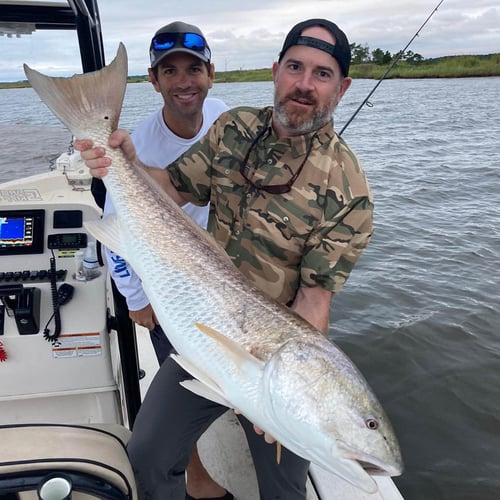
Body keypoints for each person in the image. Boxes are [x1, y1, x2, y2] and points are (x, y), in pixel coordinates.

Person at [78, 18, 374, 500]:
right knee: (147, 458)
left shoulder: (350, 193)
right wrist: (124, 161)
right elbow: (171, 188)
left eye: (322, 74)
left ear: (342, 87)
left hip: (272, 350)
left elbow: (314, 305)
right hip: (202, 322)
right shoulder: (233, 127)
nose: (304, 84)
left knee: (284, 485)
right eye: (295, 67)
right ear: (276, 70)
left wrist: (282, 398)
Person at [102, 21, 231, 500]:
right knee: (183, 381)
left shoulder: (225, 118)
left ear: (211, 75)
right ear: (153, 81)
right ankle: (194, 476)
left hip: (221, 274)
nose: (183, 81)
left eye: (193, 68)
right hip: (167, 281)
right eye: (169, 71)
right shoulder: (141, 144)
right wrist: (136, 297)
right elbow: (114, 236)